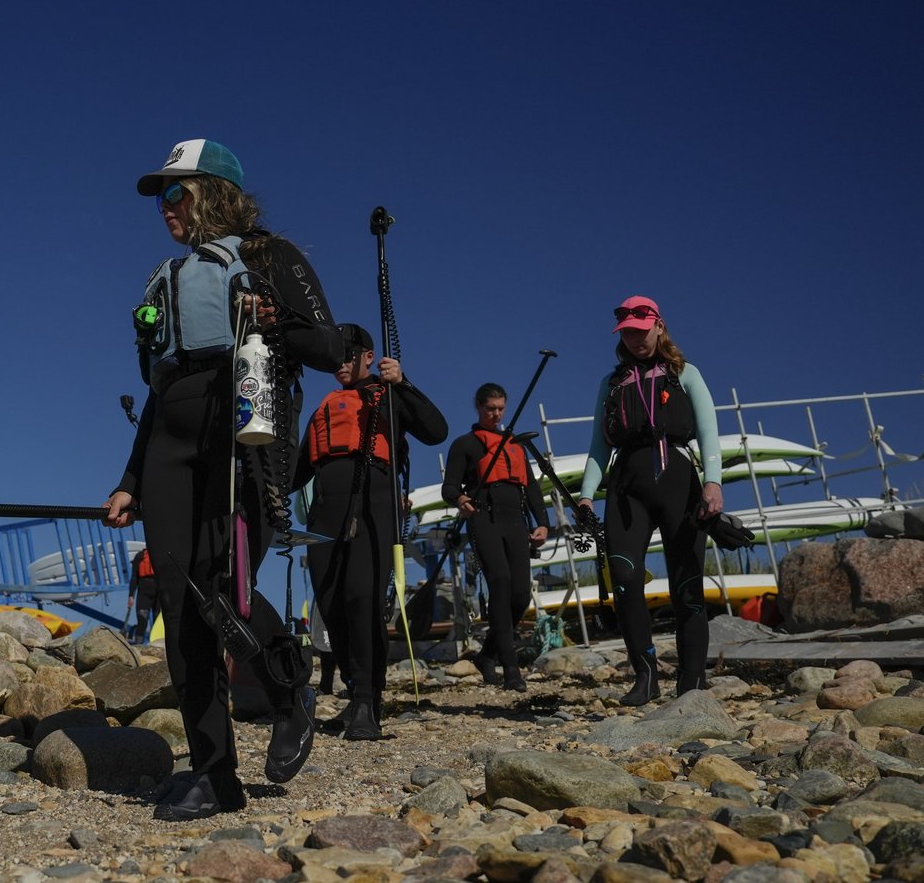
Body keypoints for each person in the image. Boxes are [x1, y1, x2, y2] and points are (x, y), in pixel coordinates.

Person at [103, 139, 345, 820]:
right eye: (161, 196)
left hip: (247, 428)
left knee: (223, 585)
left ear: (213, 191)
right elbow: (159, 388)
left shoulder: (269, 256)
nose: (165, 207)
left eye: (174, 192)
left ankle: (289, 686)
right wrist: (129, 478)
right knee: (180, 602)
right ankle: (214, 773)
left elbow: (330, 346)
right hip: (170, 440)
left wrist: (274, 321)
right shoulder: (169, 276)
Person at [295, 324, 448, 740]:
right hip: (325, 513)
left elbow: (436, 431)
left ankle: (368, 699)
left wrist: (403, 382)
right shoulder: (326, 405)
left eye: (347, 354)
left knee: (362, 600)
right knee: (331, 604)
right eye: (333, 357)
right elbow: (296, 472)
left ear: (368, 356)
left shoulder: (389, 396)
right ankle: (353, 691)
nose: (339, 364)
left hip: (373, 506)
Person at [577, 295, 722, 705]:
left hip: (679, 483)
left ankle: (691, 682)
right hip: (627, 489)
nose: (635, 339)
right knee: (624, 580)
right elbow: (598, 447)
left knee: (686, 583)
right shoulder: (611, 383)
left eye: (641, 331)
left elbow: (709, 431)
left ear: (659, 326)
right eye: (627, 333)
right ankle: (645, 676)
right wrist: (586, 495)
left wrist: (713, 483)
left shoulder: (685, 373)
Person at [440, 383, 551, 692]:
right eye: (490, 409)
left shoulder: (515, 444)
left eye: (501, 408)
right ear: (478, 406)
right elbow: (449, 487)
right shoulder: (465, 444)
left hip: (515, 521)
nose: (496, 414)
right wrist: (460, 499)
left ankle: (486, 655)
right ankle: (511, 668)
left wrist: (544, 523)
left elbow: (531, 488)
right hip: (484, 519)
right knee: (500, 583)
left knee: (520, 595)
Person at [125, 547, 158, 644]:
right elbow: (134, 578)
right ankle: (138, 645)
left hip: (158, 592)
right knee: (142, 620)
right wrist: (131, 595)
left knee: (158, 621)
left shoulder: (160, 555)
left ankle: (158, 645)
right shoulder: (139, 557)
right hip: (144, 592)